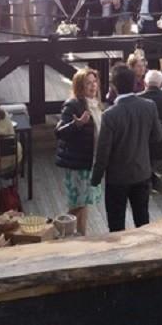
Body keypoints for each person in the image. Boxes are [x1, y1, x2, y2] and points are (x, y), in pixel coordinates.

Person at [91, 64, 162, 231]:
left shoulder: (109, 115)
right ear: (135, 82)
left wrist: (95, 179)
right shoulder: (149, 106)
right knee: (143, 221)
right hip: (142, 172)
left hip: (117, 178)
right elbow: (158, 135)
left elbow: (103, 152)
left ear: (113, 86)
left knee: (116, 225)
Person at [57, 69, 104, 235]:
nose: (93, 86)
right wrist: (76, 125)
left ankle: (81, 236)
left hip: (91, 160)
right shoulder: (73, 104)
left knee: (85, 202)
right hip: (77, 162)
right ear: (79, 86)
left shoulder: (96, 103)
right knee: (78, 203)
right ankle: (58, 229)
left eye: (94, 82)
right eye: (88, 83)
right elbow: (59, 132)